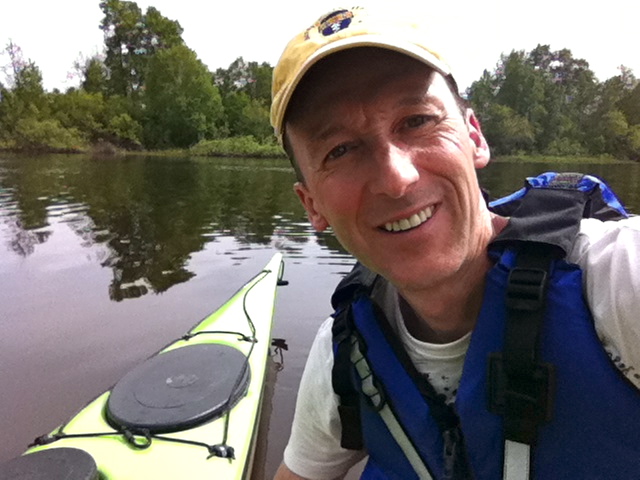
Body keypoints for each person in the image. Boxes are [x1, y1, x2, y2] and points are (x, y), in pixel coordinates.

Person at [270, 6, 640, 480]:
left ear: (474, 137)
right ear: (311, 205)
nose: (397, 179)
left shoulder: (616, 282)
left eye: (417, 121)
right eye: (340, 150)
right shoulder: (343, 354)